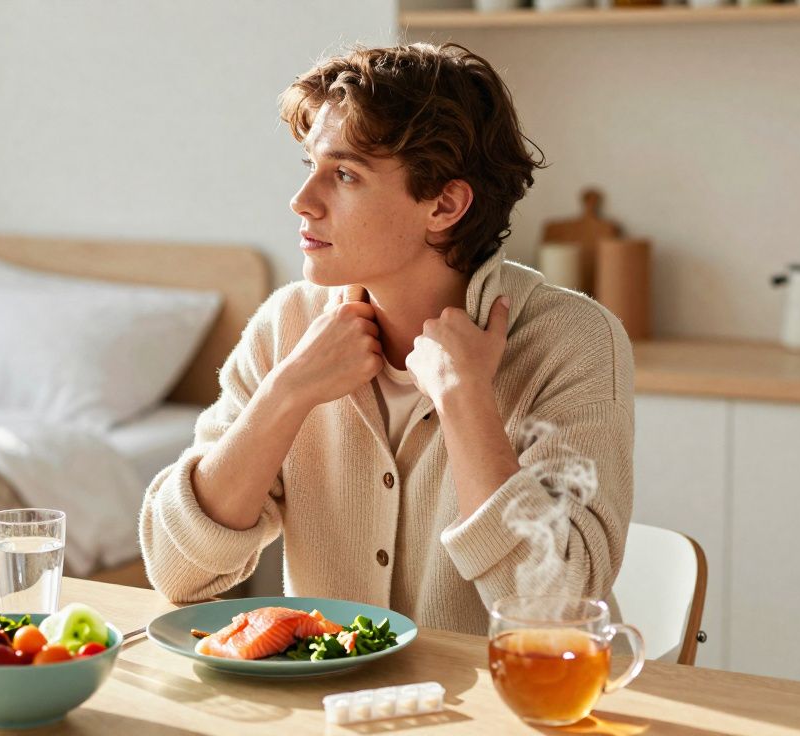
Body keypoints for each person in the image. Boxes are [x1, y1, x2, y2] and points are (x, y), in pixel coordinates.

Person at [138, 42, 634, 635]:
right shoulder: (287, 325)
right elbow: (178, 573)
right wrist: (287, 392)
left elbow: (556, 610)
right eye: (310, 168)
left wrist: (466, 399)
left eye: (345, 174)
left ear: (445, 205)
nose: (302, 202)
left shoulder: (572, 340)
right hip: (336, 715)